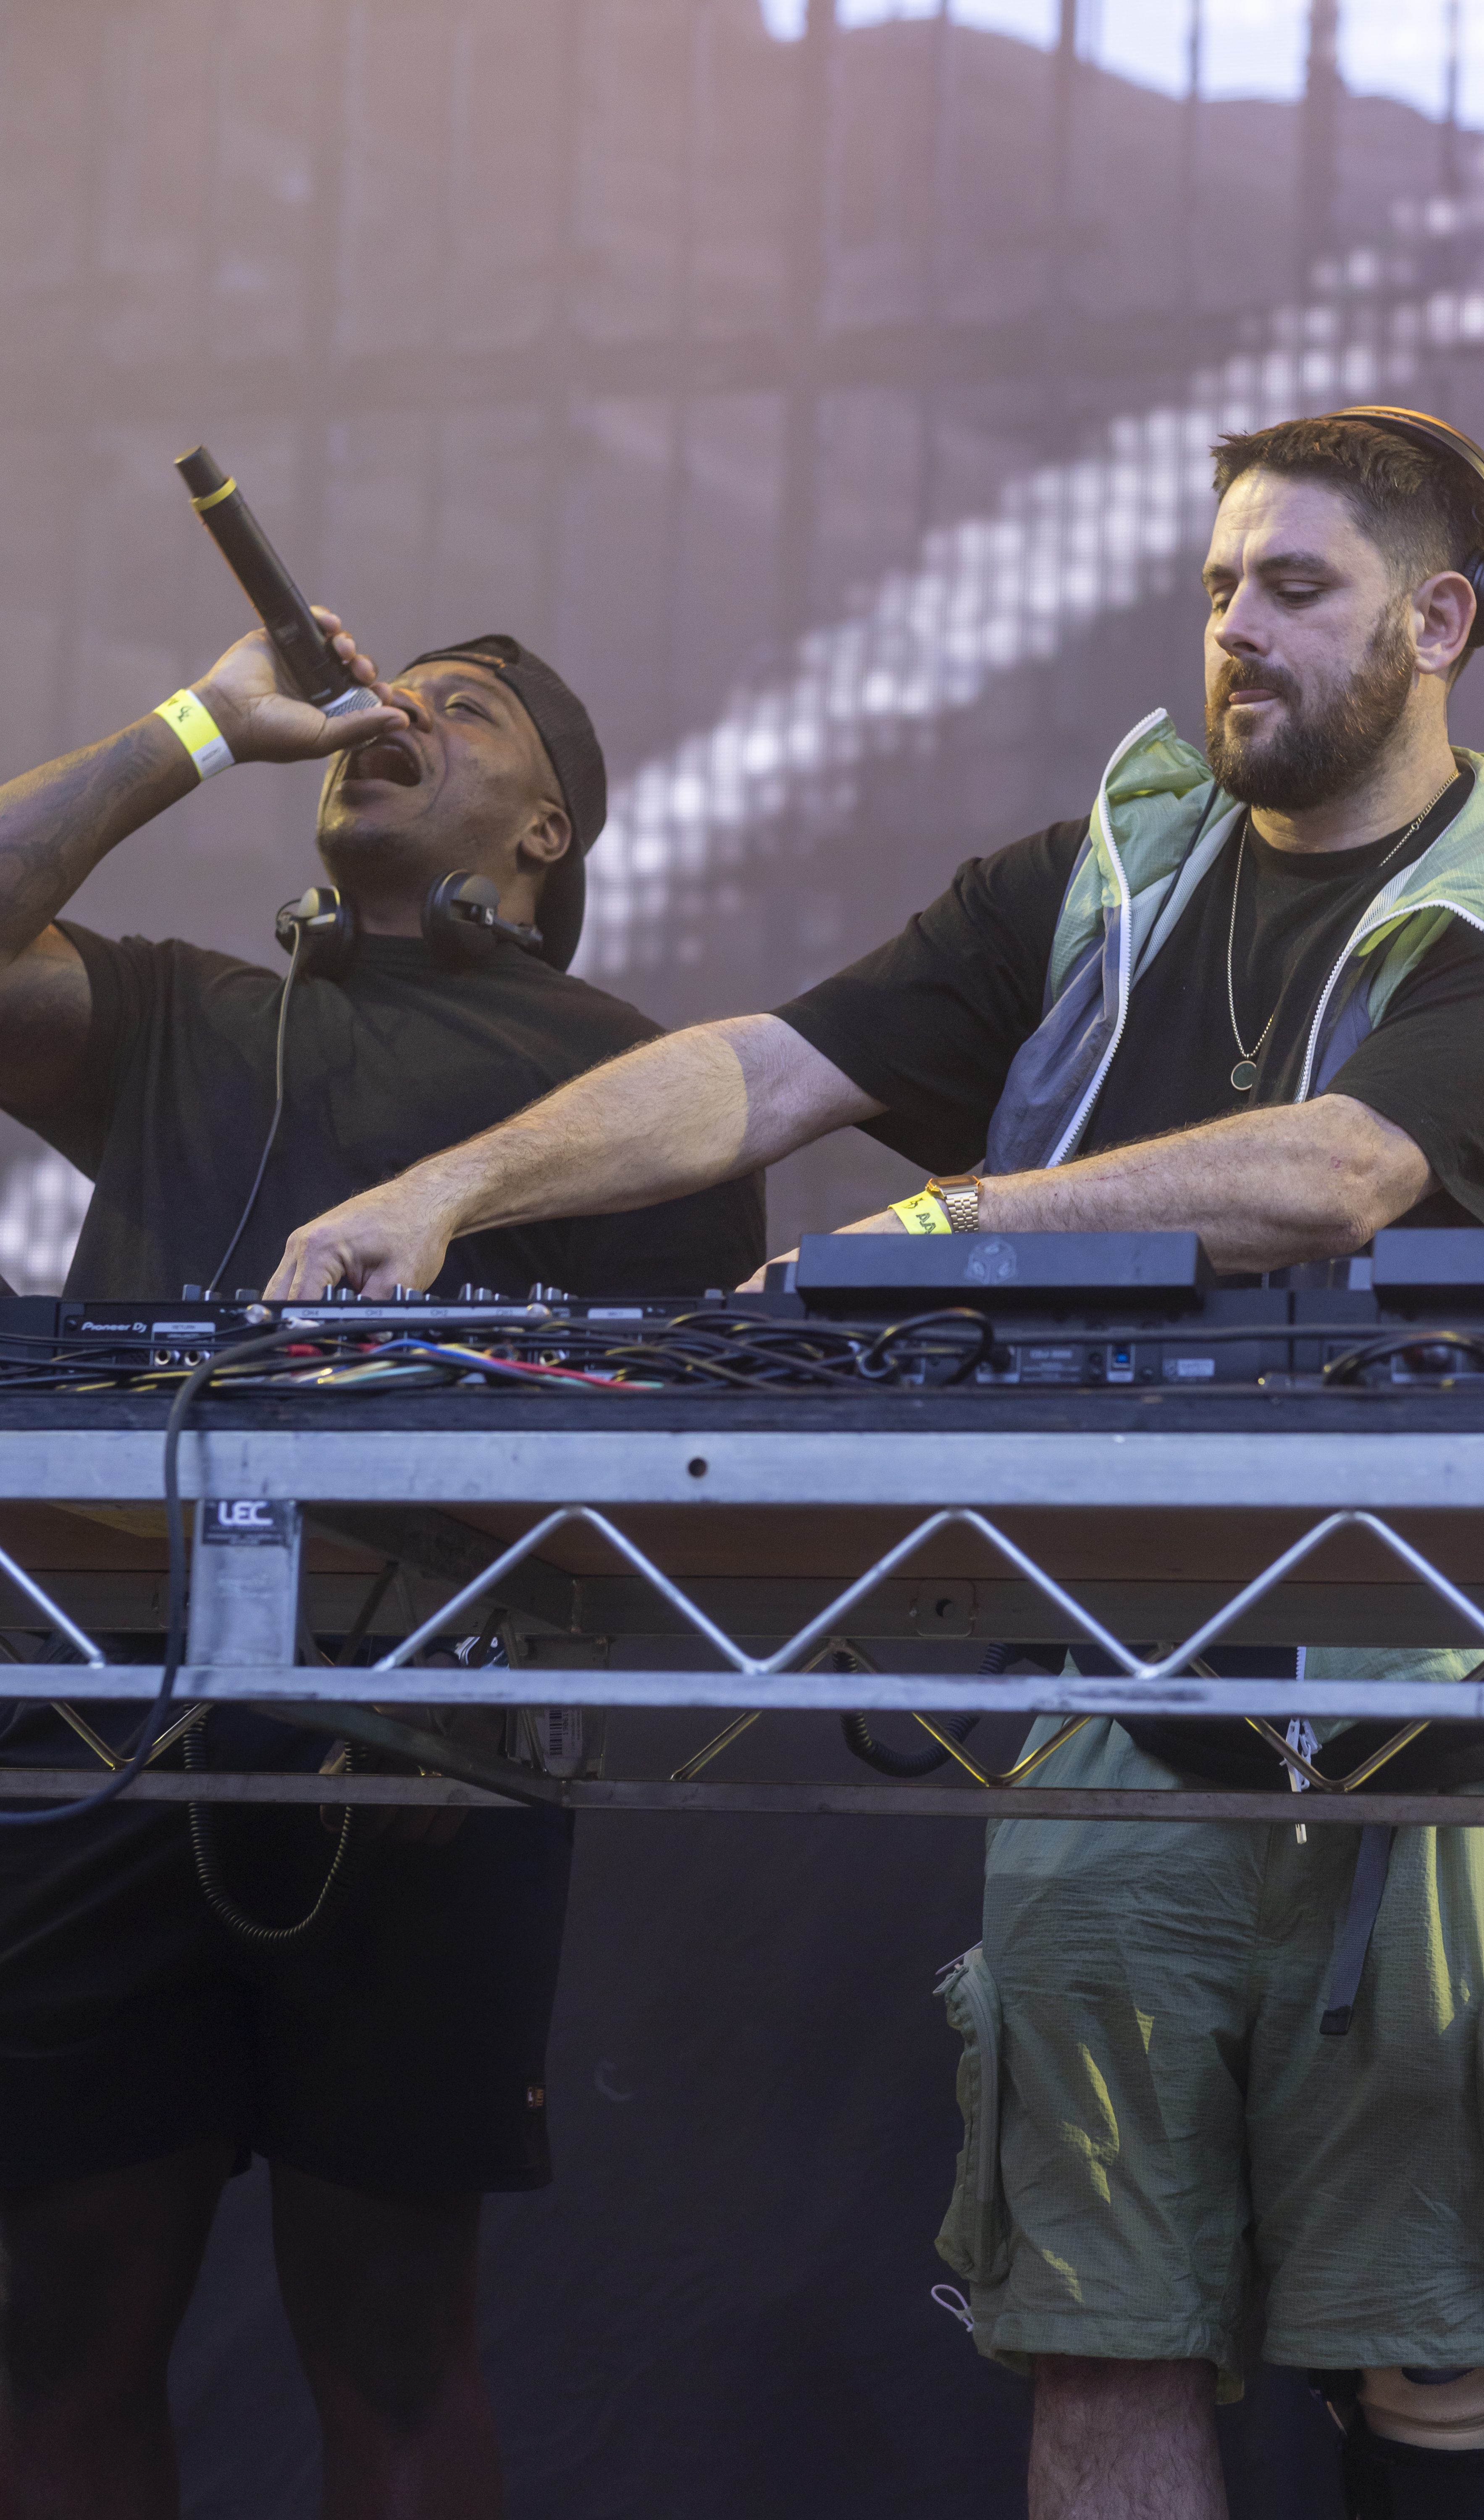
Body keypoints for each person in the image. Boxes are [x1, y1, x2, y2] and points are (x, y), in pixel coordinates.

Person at [267, 413, 1484, 2519]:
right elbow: (774, 1066)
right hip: (1114, 1690)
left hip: (1447, 1712)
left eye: (1293, 590)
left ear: (1437, 620)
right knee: (1099, 2346)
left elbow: (1348, 1173)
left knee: (1446, 2368)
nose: (1235, 634)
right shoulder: (1120, 859)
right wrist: (450, 1190)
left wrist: (964, 1216)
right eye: (1217, 590)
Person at [0, 615, 763, 2519]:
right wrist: (194, 725)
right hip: (111, 1730)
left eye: (467, 709)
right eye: (384, 696)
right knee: (55, 2329)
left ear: (549, 829)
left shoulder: (636, 1089)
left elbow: (660, 1466)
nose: (396, 717)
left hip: (426, 1757)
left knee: (394, 2341)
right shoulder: (187, 1015)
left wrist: (495, 1677)